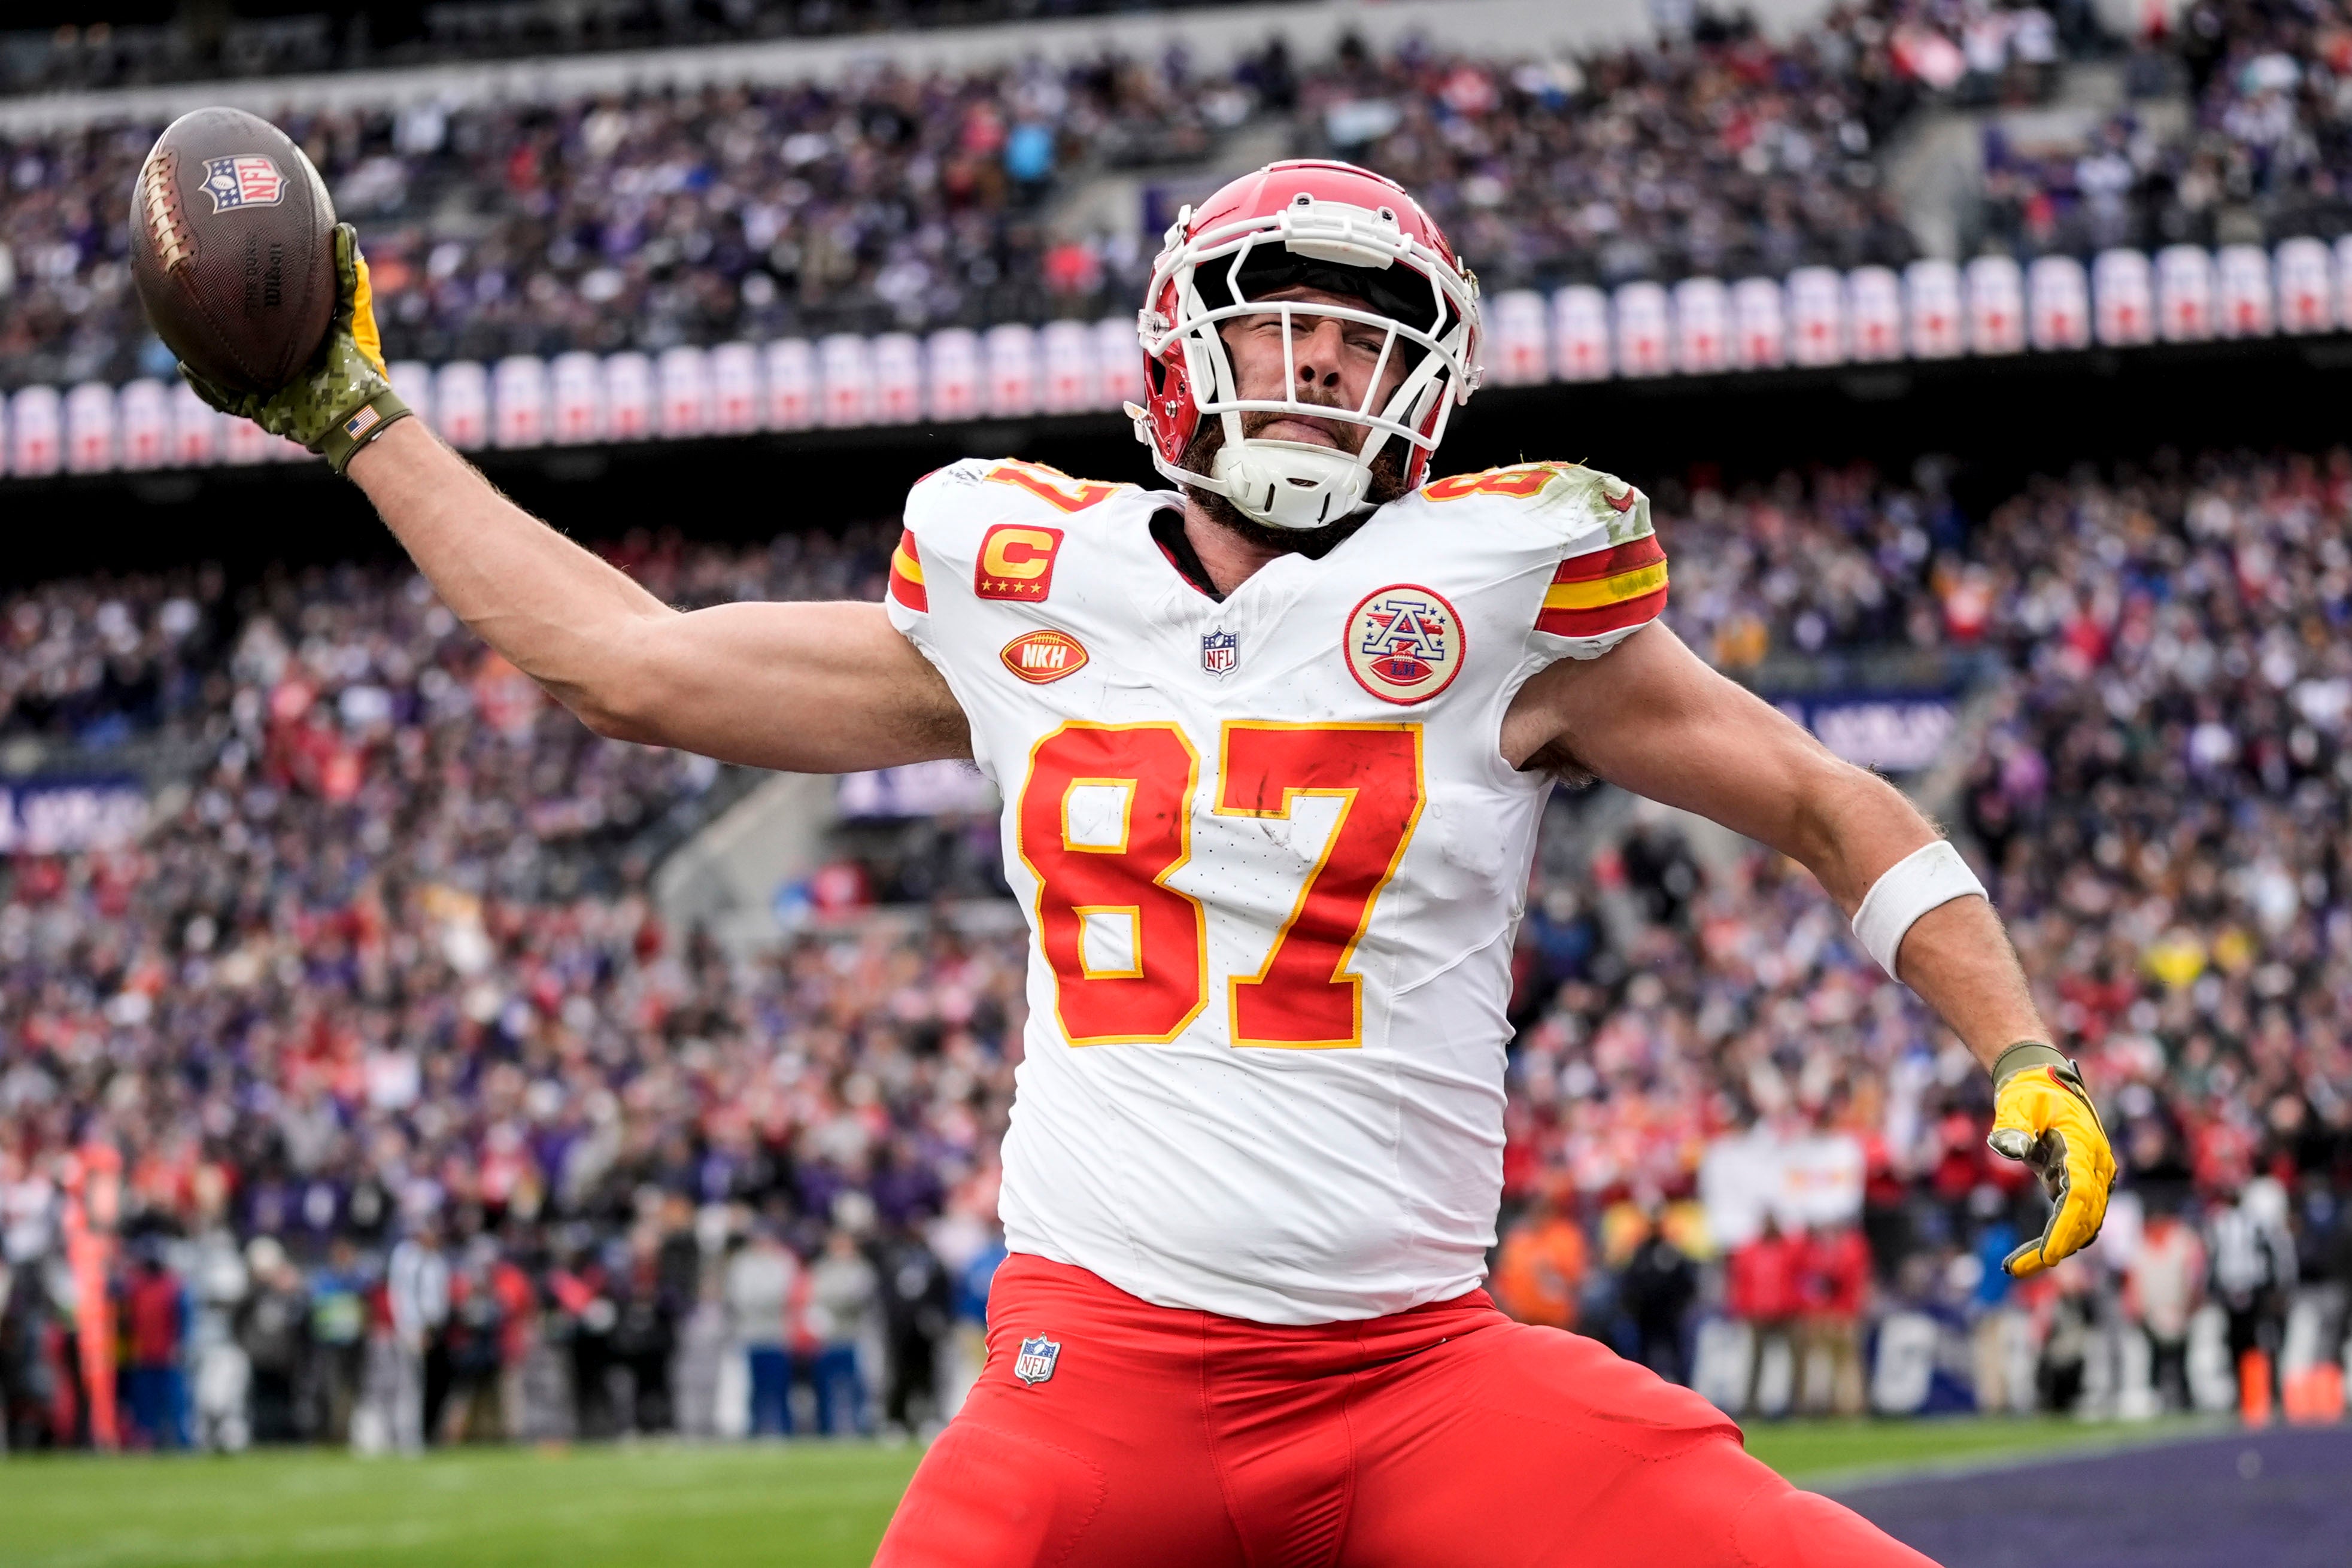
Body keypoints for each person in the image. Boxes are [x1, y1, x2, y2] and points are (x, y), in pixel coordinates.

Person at [198, 159, 2119, 1566]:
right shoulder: (1020, 576)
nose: (1315, 374)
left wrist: (2019, 1050)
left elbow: (1820, 799)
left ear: (1430, 388)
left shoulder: (1502, 588)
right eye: (1280, 327)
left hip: (1418, 1375)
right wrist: (360, 420)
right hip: (1094, 1379)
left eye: (1360, 345)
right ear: (1180, 354)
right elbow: (623, 662)